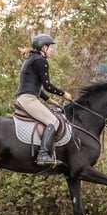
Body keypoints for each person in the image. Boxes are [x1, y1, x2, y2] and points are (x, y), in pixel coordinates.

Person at [15, 33, 73, 165]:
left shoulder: (31, 59)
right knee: (53, 121)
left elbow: (34, 85)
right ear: (44, 47)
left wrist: (49, 100)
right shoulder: (41, 61)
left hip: (26, 97)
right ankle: (42, 155)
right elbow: (47, 86)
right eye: (51, 47)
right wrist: (64, 94)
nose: (52, 50)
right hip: (28, 100)